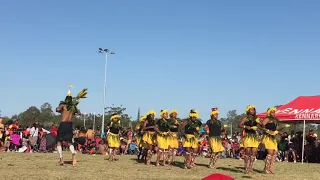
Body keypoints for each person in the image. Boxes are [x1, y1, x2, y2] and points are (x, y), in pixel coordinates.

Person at [56, 86, 87, 166]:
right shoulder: (73, 107)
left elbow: (57, 109)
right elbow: (78, 112)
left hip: (63, 125)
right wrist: (73, 112)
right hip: (70, 125)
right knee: (69, 142)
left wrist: (60, 109)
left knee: (59, 141)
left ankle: (61, 159)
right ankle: (73, 153)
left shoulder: (63, 105)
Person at [261, 107, 290, 174]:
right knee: (270, 152)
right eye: (272, 112)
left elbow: (277, 128)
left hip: (273, 137)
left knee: (275, 152)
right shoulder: (267, 119)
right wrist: (268, 131)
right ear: (269, 113)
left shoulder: (275, 120)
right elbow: (262, 126)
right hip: (268, 137)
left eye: (274, 112)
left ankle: (271, 168)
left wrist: (284, 126)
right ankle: (266, 169)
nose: (273, 113)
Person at [238, 105, 261, 174]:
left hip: (254, 136)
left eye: (253, 110)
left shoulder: (256, 118)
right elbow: (239, 125)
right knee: (247, 151)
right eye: (251, 110)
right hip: (247, 136)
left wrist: (259, 122)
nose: (253, 111)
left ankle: (251, 168)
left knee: (254, 152)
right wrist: (246, 126)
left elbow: (263, 125)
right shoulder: (246, 118)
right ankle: (246, 167)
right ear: (248, 111)